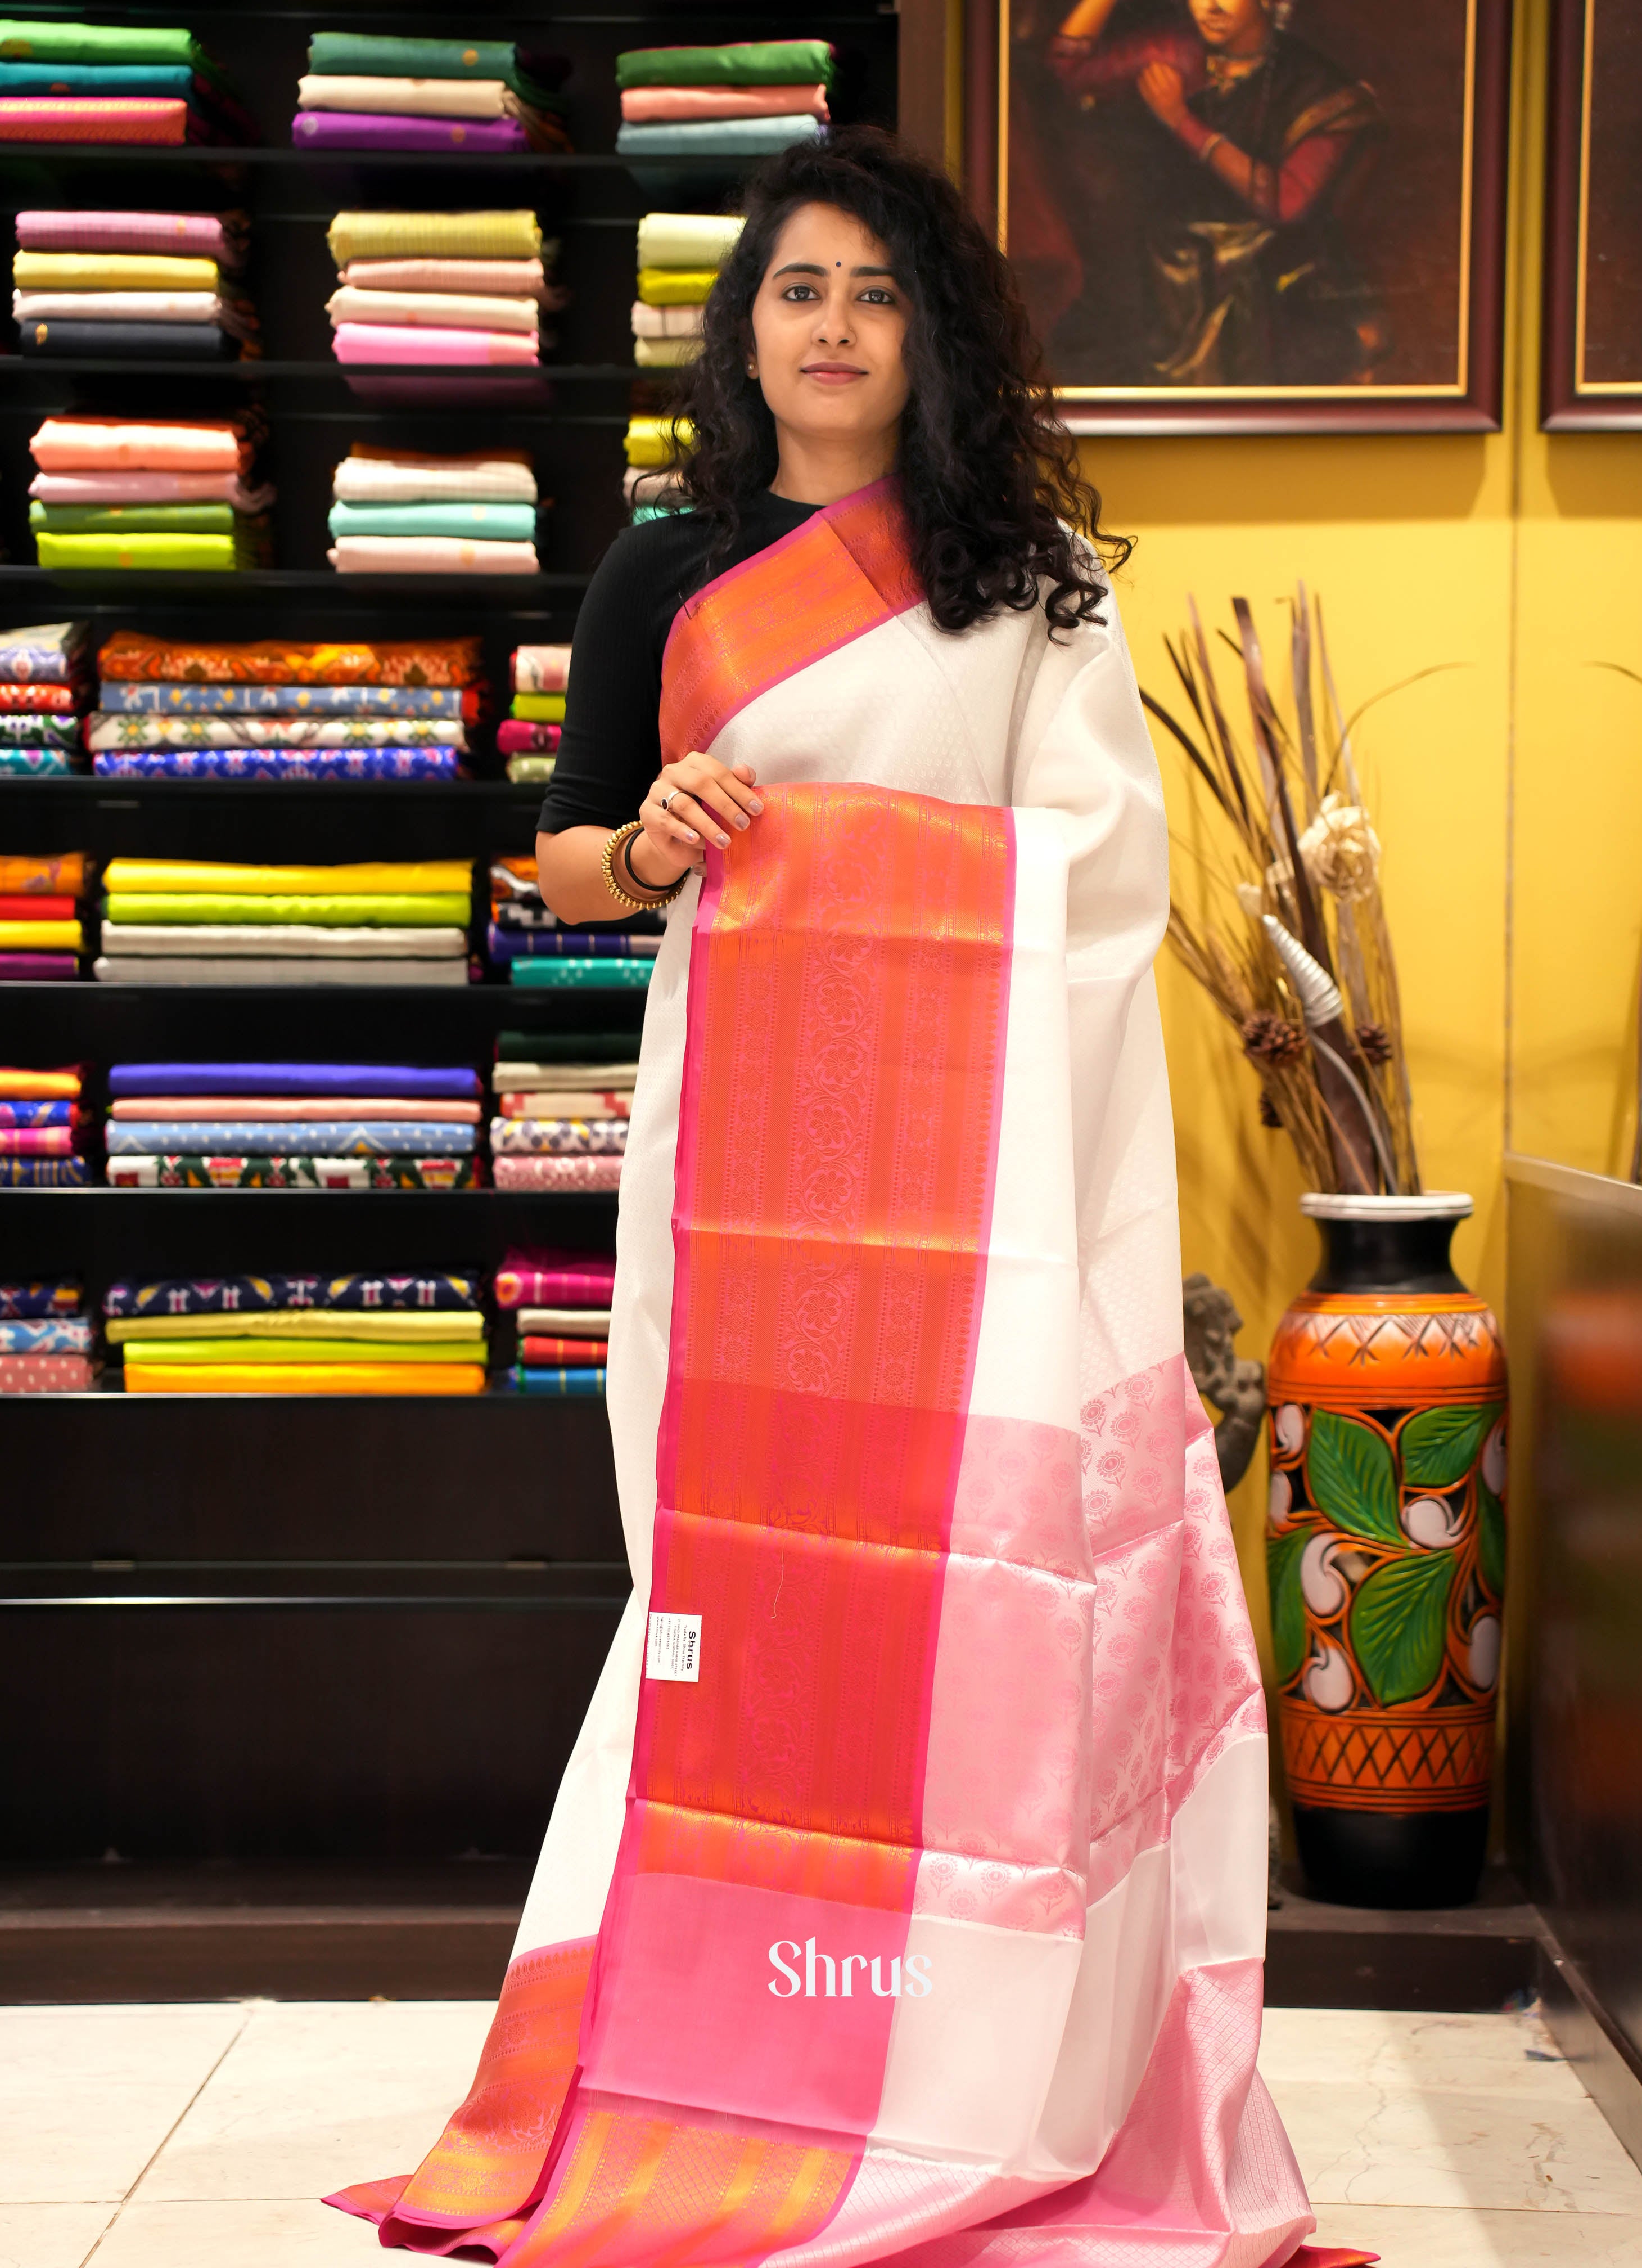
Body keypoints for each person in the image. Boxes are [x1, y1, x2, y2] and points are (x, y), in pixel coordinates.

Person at [329, 125, 1349, 2268]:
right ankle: (745, 2028)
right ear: (745, 328)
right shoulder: (662, 574)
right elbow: (564, 857)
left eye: (873, 293)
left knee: (976, 1583)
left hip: (977, 1201)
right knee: (756, 1572)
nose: (831, 328)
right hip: (761, 1187)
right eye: (796, 289)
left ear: (933, 332)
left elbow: (1102, 877)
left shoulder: (1030, 583)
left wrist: (874, 846)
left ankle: (982, 2048)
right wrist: (672, 838)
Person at [1039, 0, 1384, 385]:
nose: (1212, 7)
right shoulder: (1176, 52)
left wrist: (1181, 121)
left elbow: (1285, 202)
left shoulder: (1319, 87)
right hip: (1169, 275)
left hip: (1275, 280)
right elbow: (1065, 68)